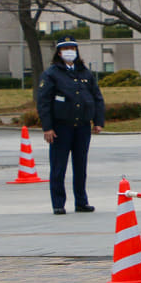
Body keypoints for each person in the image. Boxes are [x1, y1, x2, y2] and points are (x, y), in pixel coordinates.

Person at [36, 36, 106, 215]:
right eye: (66, 48)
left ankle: (81, 201)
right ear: (59, 52)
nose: (70, 52)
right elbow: (44, 102)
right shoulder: (52, 73)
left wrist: (98, 121)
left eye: (73, 48)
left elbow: (96, 97)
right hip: (61, 127)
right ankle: (58, 203)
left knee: (80, 166)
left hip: (82, 126)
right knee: (59, 166)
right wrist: (47, 127)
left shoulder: (84, 72)